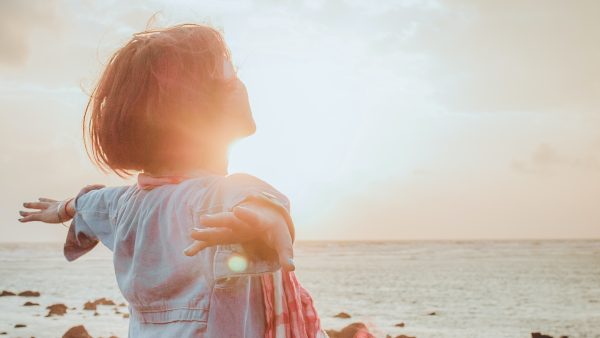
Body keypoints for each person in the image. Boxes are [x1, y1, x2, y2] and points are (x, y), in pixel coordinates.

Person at [18, 23, 327, 338]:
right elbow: (251, 197)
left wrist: (63, 208)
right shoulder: (215, 197)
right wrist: (262, 218)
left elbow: (89, 205)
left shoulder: (123, 204)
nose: (240, 85)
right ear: (190, 112)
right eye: (229, 78)